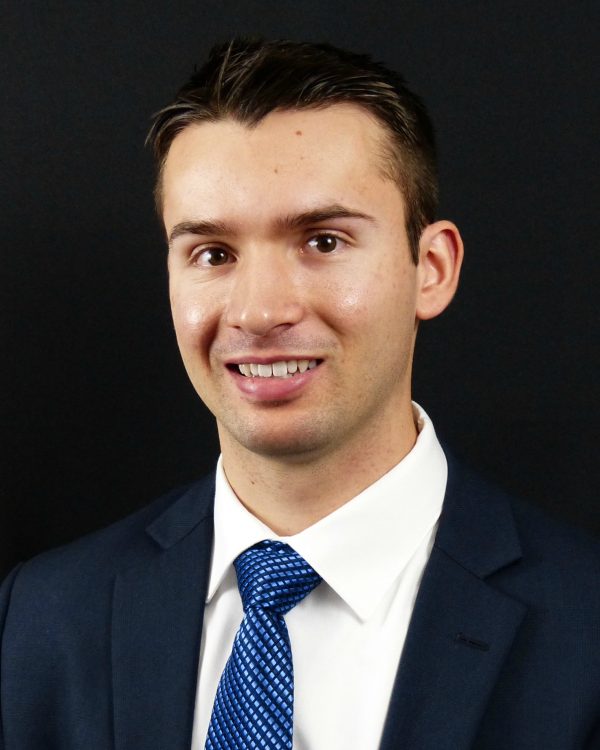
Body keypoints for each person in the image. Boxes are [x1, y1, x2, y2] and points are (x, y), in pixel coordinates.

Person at [0, 38, 598, 750]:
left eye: (323, 242)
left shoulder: (585, 625)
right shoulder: (39, 618)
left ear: (431, 268)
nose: (258, 312)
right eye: (213, 254)